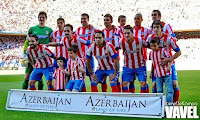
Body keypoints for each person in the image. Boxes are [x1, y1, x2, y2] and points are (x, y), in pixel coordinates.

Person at [147, 20, 181, 102]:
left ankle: (174, 104)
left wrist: (169, 59)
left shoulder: (168, 38)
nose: (156, 29)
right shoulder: (150, 38)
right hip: (157, 67)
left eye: (157, 27)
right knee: (154, 85)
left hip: (169, 65)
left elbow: (179, 52)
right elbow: (153, 55)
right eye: (154, 27)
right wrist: (152, 71)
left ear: (161, 28)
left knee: (174, 84)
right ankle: (158, 106)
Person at [22, 11, 53, 90]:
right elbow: (26, 41)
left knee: (40, 80)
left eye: (43, 17)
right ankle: (23, 95)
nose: (41, 19)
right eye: (40, 17)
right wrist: (24, 52)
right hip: (32, 56)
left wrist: (47, 47)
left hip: (43, 56)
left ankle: (39, 96)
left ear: (46, 19)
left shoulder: (49, 30)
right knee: (27, 77)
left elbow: (53, 41)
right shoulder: (32, 29)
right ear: (38, 18)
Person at [118, 25, 148, 93]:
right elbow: (115, 48)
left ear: (132, 33)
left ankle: (143, 100)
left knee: (143, 83)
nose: (126, 35)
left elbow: (149, 45)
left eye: (128, 33)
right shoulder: (121, 41)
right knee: (124, 84)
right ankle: (128, 101)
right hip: (128, 66)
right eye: (125, 33)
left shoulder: (139, 40)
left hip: (140, 65)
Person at [75, 13, 97, 91]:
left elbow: (102, 33)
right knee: (81, 78)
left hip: (90, 57)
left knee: (92, 76)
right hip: (80, 58)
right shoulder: (77, 30)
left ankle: (94, 96)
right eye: (82, 19)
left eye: (84, 18)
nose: (83, 20)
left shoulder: (93, 29)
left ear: (88, 19)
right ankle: (82, 97)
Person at [149, 37, 173, 103]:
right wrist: (151, 72)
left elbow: (170, 59)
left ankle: (169, 104)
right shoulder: (151, 53)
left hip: (166, 74)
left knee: (169, 90)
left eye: (155, 46)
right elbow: (153, 63)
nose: (153, 47)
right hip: (158, 75)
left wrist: (169, 67)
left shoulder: (163, 50)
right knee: (159, 91)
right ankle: (161, 105)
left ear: (158, 45)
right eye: (151, 46)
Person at [102, 13, 122, 92]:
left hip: (114, 59)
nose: (105, 22)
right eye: (104, 20)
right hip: (104, 59)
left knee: (115, 79)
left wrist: (112, 49)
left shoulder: (116, 30)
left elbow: (121, 43)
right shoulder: (102, 32)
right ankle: (105, 96)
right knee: (103, 80)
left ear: (111, 21)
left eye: (107, 20)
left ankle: (118, 96)